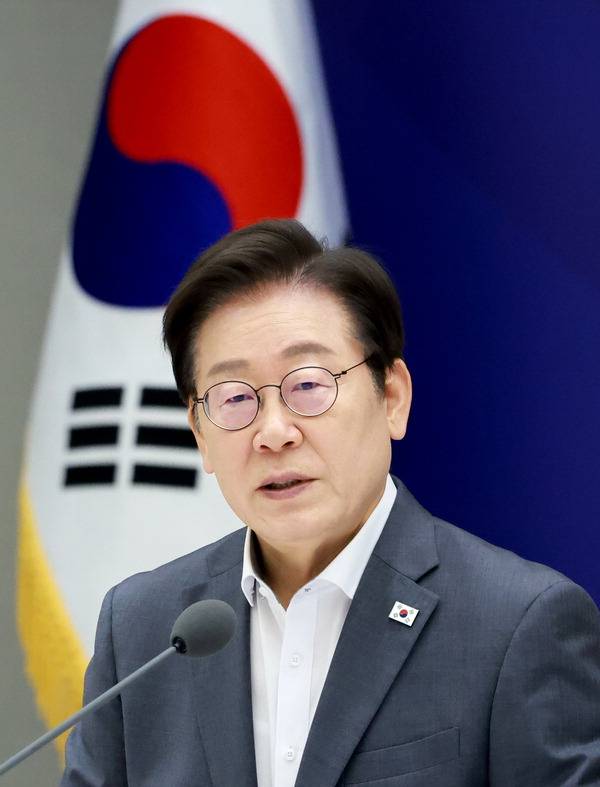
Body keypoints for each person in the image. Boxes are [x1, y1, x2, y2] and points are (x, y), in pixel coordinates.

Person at [62, 219, 600, 786]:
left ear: (392, 398)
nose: (274, 432)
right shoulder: (143, 629)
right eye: (235, 398)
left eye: (308, 386)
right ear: (200, 432)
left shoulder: (516, 624)